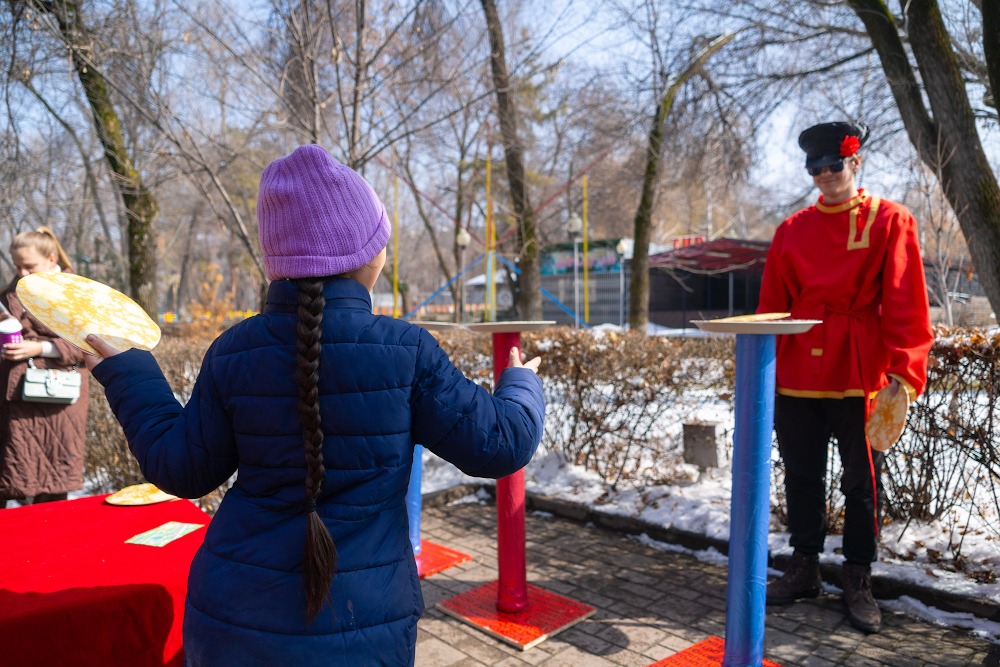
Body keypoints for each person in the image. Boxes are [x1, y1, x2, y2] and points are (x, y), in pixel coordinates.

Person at [84, 144, 545, 666]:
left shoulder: (235, 350)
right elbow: (502, 443)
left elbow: (183, 468)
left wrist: (130, 370)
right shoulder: (405, 350)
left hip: (234, 620)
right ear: (366, 255)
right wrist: (520, 382)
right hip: (362, 624)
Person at [758, 121, 933, 634]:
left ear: (855, 164)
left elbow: (905, 301)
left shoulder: (891, 220)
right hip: (796, 374)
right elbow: (771, 307)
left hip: (861, 371)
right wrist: (758, 372)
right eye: (815, 169)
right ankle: (804, 567)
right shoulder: (791, 230)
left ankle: (858, 577)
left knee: (861, 485)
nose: (825, 176)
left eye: (834, 166)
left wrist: (905, 371)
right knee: (801, 477)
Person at [1, 227, 90, 509]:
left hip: (58, 403)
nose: (22, 274)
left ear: (52, 260)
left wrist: (39, 348)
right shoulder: (8, 296)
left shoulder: (75, 295)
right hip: (15, 401)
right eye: (17, 267)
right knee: (11, 473)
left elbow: (87, 346)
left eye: (29, 266)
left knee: (52, 486)